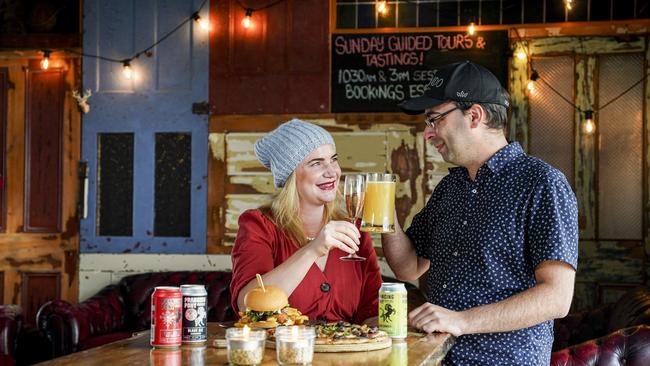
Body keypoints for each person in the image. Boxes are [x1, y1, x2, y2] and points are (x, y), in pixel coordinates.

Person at [382, 61, 578, 365]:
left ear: (474, 115)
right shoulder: (451, 188)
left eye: (434, 120)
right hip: (438, 358)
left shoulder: (542, 183)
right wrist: (384, 212)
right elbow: (408, 268)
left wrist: (460, 321)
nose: (427, 133)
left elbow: (557, 297)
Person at [230, 119, 382, 324]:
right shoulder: (259, 226)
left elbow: (371, 312)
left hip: (345, 352)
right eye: (316, 163)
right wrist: (313, 249)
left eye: (333, 159)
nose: (332, 171)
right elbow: (248, 305)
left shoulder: (354, 231)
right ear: (292, 176)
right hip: (281, 352)